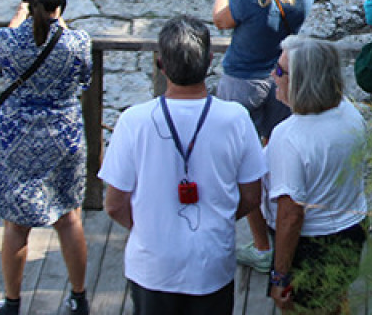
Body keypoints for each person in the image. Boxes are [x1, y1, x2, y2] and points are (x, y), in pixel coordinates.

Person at [101, 16, 266, 315]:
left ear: (161, 65)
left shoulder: (133, 121)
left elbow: (113, 205)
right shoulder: (236, 119)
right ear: (210, 61)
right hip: (211, 264)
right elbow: (253, 196)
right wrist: (220, 219)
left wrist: (151, 229)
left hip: (152, 266)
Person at [213, 0, 317, 273]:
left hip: (242, 81)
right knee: (278, 159)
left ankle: (260, 244)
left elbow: (221, 18)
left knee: (243, 164)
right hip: (282, 79)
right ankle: (281, 225)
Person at [0, 0, 91, 315]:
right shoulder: (77, 43)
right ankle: (78, 297)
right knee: (69, 218)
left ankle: (12, 302)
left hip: (17, 138)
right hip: (64, 135)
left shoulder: (9, 41)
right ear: (62, 1)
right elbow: (85, 79)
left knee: (16, 225)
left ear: (26, 1)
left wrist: (16, 21)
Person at [263, 37, 368, 314]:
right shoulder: (349, 113)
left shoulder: (289, 137)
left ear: (302, 81)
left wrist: (280, 276)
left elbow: (291, 215)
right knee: (334, 301)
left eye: (281, 71)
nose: (273, 76)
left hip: (311, 246)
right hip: (349, 230)